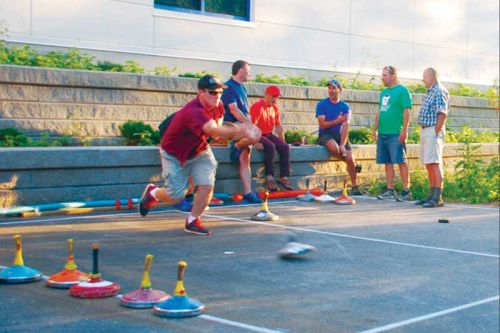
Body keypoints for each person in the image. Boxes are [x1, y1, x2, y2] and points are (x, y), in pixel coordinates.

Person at [138, 74, 260, 236]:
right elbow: (214, 130)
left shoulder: (219, 106)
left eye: (220, 92)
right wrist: (243, 130)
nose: (217, 96)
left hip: (199, 150)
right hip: (175, 153)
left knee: (207, 185)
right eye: (212, 92)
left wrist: (238, 132)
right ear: (200, 92)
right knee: (175, 196)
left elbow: (217, 132)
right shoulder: (194, 111)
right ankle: (153, 192)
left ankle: (193, 220)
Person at [222, 60, 263, 203]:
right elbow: (233, 109)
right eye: (248, 71)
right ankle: (238, 145)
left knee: (245, 159)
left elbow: (246, 110)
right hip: (231, 125)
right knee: (254, 134)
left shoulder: (242, 88)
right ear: (240, 71)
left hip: (243, 126)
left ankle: (247, 192)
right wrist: (250, 125)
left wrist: (250, 123)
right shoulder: (228, 87)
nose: (250, 74)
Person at [372, 66, 412, 201]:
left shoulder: (402, 91)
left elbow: (407, 111)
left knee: (401, 161)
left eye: (385, 75)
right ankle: (390, 189)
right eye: (382, 75)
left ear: (393, 75)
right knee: (387, 162)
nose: (382, 78)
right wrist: (375, 129)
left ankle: (406, 190)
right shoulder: (384, 92)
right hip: (383, 133)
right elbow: (380, 111)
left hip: (396, 133)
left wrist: (405, 130)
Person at [316, 79, 361, 195]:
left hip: (340, 135)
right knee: (334, 149)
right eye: (329, 88)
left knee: (349, 157)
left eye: (334, 88)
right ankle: (353, 165)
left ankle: (355, 186)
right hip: (325, 135)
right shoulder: (321, 104)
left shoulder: (345, 107)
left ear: (339, 90)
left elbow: (345, 126)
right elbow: (322, 124)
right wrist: (337, 121)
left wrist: (342, 144)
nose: (331, 90)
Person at [416, 67, 449, 208]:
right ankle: (431, 194)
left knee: (434, 162)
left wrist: (435, 132)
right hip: (426, 130)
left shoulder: (439, 91)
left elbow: (442, 113)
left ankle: (437, 197)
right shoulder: (431, 91)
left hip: (432, 131)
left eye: (425, 76)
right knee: (428, 163)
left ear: (432, 77)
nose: (423, 79)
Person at [250, 85, 293, 192]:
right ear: (267, 95)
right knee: (270, 146)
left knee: (285, 147)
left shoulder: (275, 107)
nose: (275, 99)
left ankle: (284, 177)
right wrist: (254, 143)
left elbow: (278, 126)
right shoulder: (257, 106)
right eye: (273, 96)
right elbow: (251, 127)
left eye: (277, 97)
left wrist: (282, 142)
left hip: (268, 134)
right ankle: (269, 177)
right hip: (258, 134)